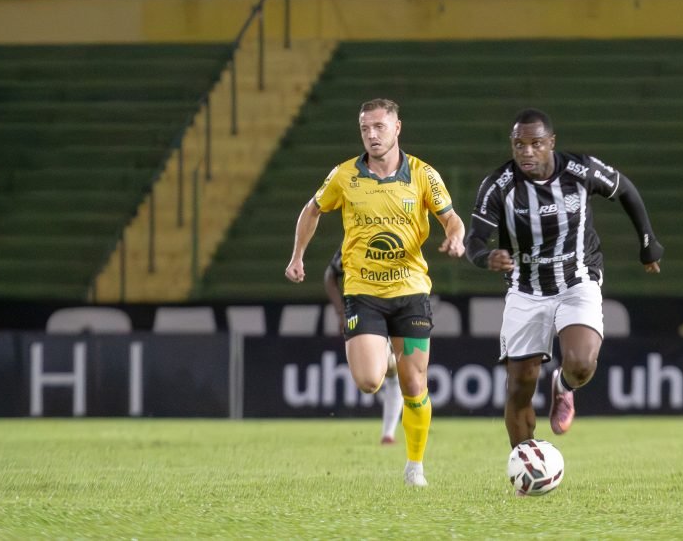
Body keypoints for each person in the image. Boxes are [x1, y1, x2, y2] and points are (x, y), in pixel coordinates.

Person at [284, 98, 466, 487]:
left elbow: (452, 219)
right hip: (363, 291)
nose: (372, 135)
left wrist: (456, 239)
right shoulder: (344, 175)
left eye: (380, 127)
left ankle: (415, 467)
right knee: (369, 382)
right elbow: (312, 209)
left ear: (397, 128)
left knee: (415, 384)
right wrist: (297, 256)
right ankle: (382, 352)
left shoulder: (422, 175)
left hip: (411, 290)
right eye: (365, 128)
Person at [465, 108, 663, 448]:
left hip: (577, 280)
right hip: (525, 289)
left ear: (551, 143)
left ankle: (564, 386)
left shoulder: (580, 171)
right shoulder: (498, 186)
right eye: (519, 144)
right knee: (519, 386)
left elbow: (625, 189)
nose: (527, 151)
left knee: (582, 364)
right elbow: (474, 240)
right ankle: (525, 463)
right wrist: (486, 257)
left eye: (536, 143)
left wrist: (648, 243)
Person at [323, 247, 402, 445]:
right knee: (385, 373)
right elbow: (330, 275)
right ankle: (389, 433)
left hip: (401, 307)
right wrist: (340, 312)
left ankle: (388, 434)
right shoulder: (356, 241)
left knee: (396, 373)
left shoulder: (402, 235)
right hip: (366, 310)